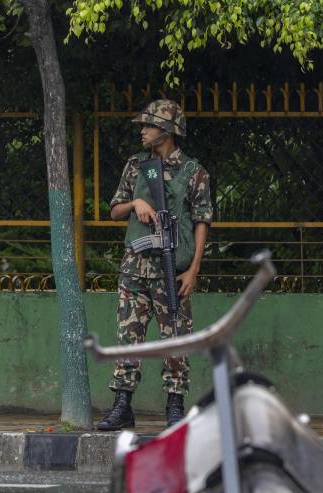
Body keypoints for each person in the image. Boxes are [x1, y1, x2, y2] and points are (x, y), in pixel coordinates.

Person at [96, 99, 213, 431]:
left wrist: (193, 271)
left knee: (174, 339)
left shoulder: (194, 172)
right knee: (127, 339)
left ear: (167, 131)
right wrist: (136, 203)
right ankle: (122, 406)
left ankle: (174, 406)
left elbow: (202, 221)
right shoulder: (136, 166)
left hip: (171, 271)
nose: (142, 130)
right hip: (135, 269)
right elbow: (114, 210)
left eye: (148, 125)